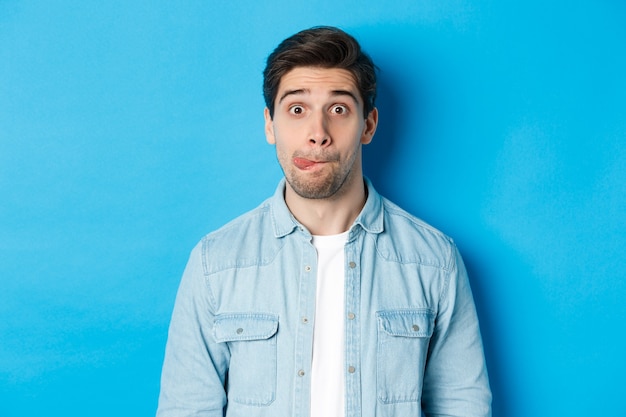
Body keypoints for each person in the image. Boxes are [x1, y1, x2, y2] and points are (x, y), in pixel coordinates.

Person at [156, 26, 492, 417]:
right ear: (270, 124)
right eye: (297, 110)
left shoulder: (434, 261)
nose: (317, 134)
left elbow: (462, 406)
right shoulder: (215, 263)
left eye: (338, 109)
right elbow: (186, 409)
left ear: (368, 125)